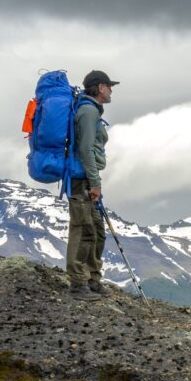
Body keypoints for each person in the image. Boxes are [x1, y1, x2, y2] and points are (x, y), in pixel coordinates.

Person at [66, 70, 116, 295]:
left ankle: (92, 278)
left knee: (96, 229)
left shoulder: (91, 110)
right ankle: (78, 283)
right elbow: (85, 149)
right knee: (83, 227)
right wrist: (95, 182)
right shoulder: (88, 111)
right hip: (81, 178)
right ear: (99, 87)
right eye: (108, 85)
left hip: (87, 177)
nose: (111, 90)